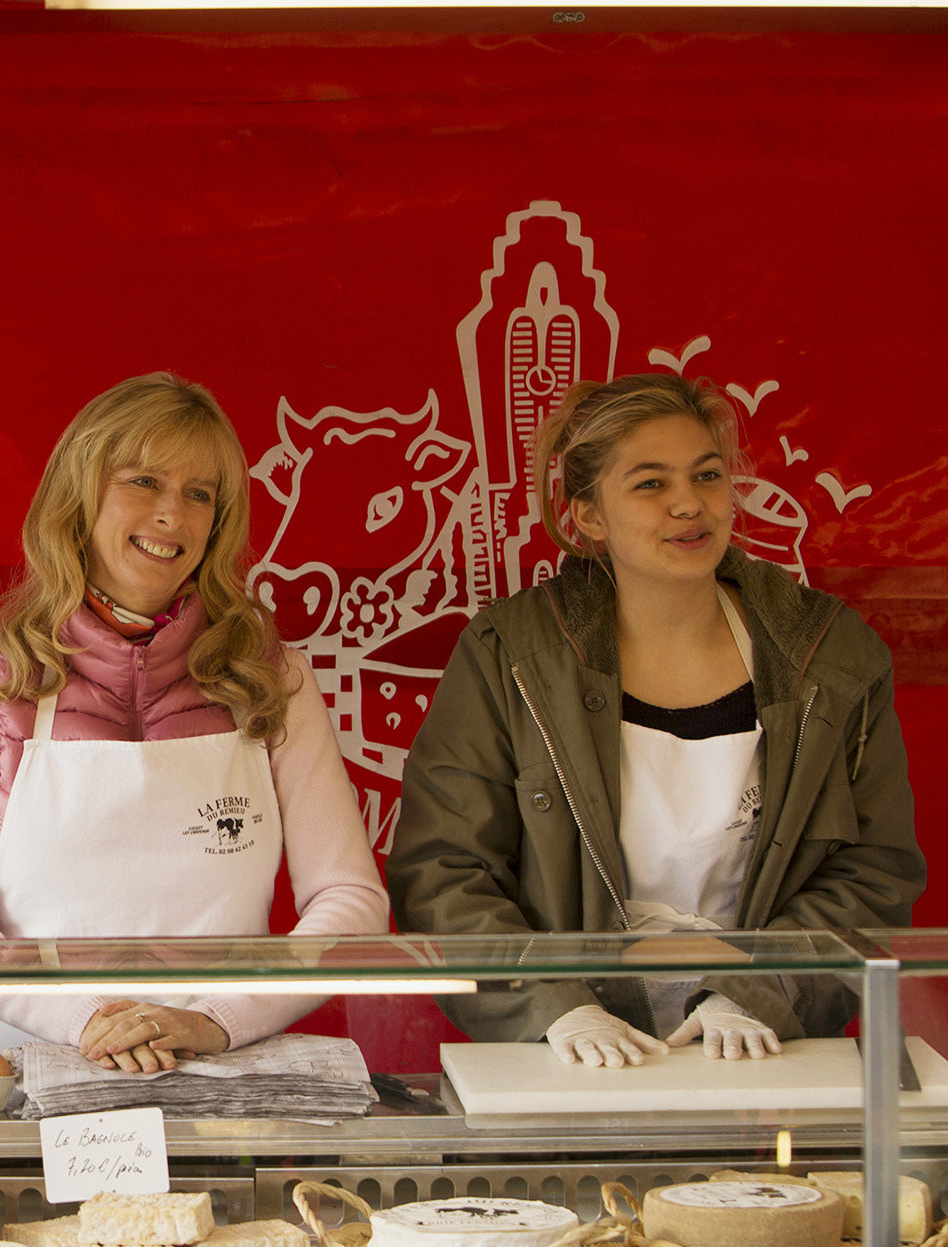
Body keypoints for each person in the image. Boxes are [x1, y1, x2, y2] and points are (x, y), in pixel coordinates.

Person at [388, 373, 924, 1066]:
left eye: (707, 475)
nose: (688, 504)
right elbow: (442, 870)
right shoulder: (510, 657)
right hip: (567, 1066)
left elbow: (874, 872)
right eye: (649, 483)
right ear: (588, 515)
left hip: (771, 1058)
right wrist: (557, 1005)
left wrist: (759, 991)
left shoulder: (832, 657)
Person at [0, 372, 389, 1072]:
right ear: (79, 496)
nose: (174, 515)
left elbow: (350, 902)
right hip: (28, 1075)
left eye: (200, 495)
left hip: (220, 1077)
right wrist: (85, 1019)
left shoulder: (272, 678)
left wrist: (213, 1020)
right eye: (144, 482)